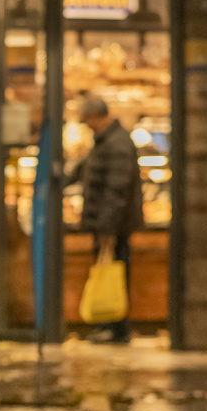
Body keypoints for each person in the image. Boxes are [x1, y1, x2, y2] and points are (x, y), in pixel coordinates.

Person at [66, 94, 143, 343]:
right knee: (108, 269)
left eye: (87, 122)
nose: (87, 128)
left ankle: (116, 326)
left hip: (114, 226)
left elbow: (115, 191)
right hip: (108, 223)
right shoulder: (105, 141)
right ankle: (109, 323)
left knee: (114, 272)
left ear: (95, 118)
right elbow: (86, 172)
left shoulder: (117, 143)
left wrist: (107, 228)